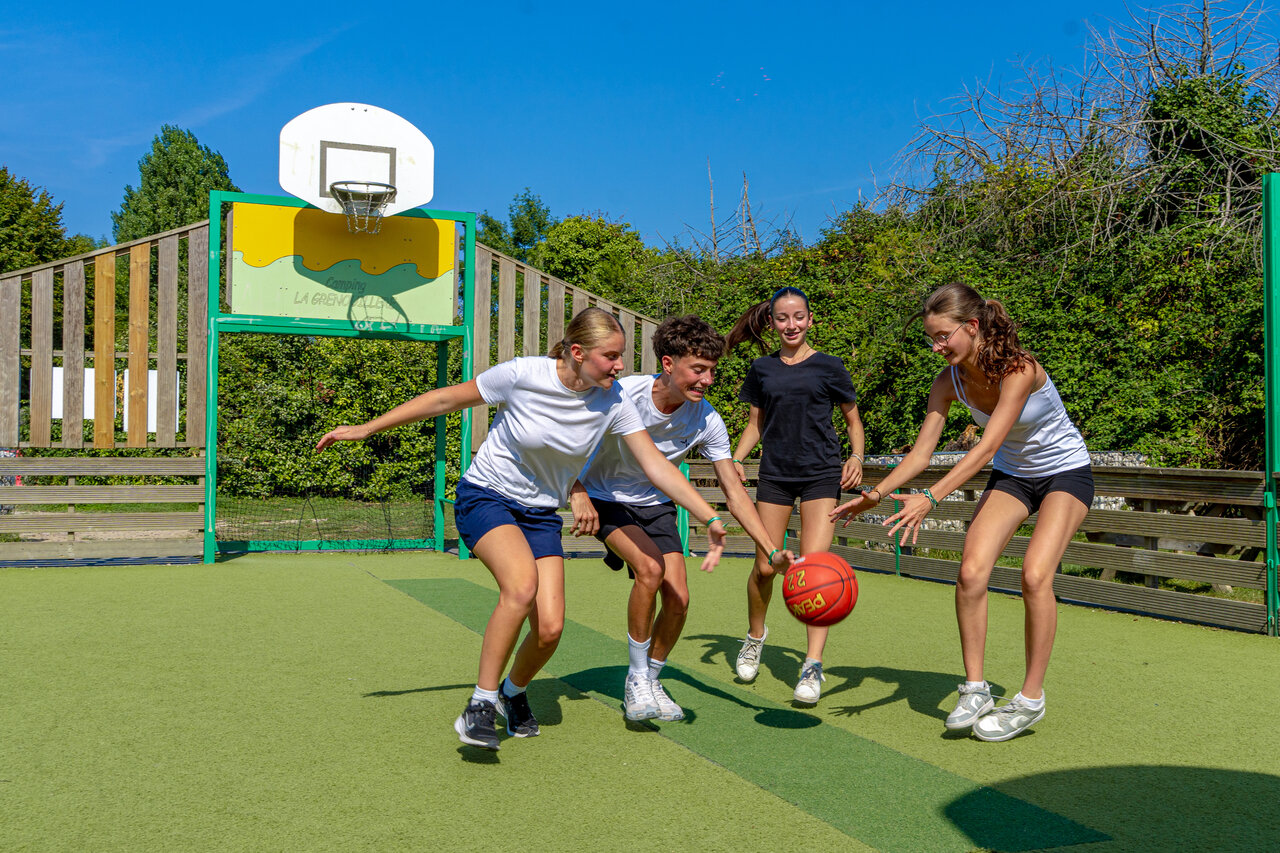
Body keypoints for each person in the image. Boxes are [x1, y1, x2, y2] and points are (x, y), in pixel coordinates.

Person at [316, 307, 728, 751]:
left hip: (538, 515)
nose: (621, 366)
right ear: (577, 352)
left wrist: (711, 517)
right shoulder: (522, 374)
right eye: (611, 356)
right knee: (521, 587)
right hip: (486, 497)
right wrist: (366, 428)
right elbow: (443, 400)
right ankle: (480, 703)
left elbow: (657, 467)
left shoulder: (613, 402)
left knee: (550, 629)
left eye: (621, 356)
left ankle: (513, 691)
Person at [831, 282, 1092, 742]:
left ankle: (1030, 699)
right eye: (932, 338)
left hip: (1064, 473)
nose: (936, 347)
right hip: (1014, 477)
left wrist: (930, 499)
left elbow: (987, 447)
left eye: (943, 336)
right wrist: (876, 493)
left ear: (972, 327)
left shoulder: (1021, 368)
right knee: (970, 573)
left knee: (1034, 576)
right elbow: (919, 455)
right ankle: (976, 689)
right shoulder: (947, 382)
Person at [569, 315, 795, 723]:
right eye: (699, 369)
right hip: (604, 498)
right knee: (650, 571)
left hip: (655, 505)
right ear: (669, 364)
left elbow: (735, 492)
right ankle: (636, 679)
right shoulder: (622, 394)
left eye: (712, 371)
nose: (707, 380)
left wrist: (772, 550)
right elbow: (567, 437)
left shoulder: (706, 420)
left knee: (680, 598)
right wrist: (575, 489)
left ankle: (653, 678)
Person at [724, 286, 864, 704]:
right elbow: (754, 424)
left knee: (815, 570)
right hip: (776, 477)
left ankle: (812, 665)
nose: (791, 325)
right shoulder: (762, 368)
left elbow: (852, 420)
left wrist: (856, 455)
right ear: (771, 322)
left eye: (798, 316)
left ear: (810, 319)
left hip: (821, 475)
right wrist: (735, 458)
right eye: (782, 318)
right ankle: (754, 637)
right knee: (766, 568)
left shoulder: (831, 367)